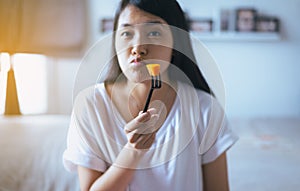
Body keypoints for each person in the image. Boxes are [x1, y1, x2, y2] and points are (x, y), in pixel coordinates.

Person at [63, 0, 238, 190]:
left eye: (154, 33)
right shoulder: (90, 106)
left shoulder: (205, 109)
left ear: (176, 44)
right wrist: (132, 152)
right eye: (126, 33)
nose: (138, 47)